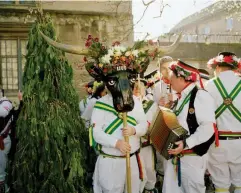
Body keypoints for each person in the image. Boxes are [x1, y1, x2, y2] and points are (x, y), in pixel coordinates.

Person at [162, 60, 216, 193]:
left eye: (172, 78)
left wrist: (186, 143)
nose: (170, 81)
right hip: (177, 157)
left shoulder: (200, 95)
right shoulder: (181, 97)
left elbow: (208, 128)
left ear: (181, 78)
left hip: (191, 158)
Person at [91, 89, 148, 193]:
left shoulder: (135, 101)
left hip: (132, 160)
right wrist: (116, 143)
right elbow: (96, 132)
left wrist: (134, 130)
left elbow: (144, 125)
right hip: (111, 161)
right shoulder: (101, 103)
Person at [206, 52, 241, 193]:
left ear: (218, 67)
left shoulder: (210, 85)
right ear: (235, 68)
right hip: (239, 142)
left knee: (221, 185)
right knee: (240, 183)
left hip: (217, 143)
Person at [133, 80, 159, 193]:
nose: (137, 90)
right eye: (135, 88)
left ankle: (150, 189)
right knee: (137, 171)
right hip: (133, 145)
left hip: (146, 144)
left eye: (140, 88)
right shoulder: (128, 106)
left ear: (144, 90)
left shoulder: (151, 105)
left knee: (149, 169)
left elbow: (155, 121)